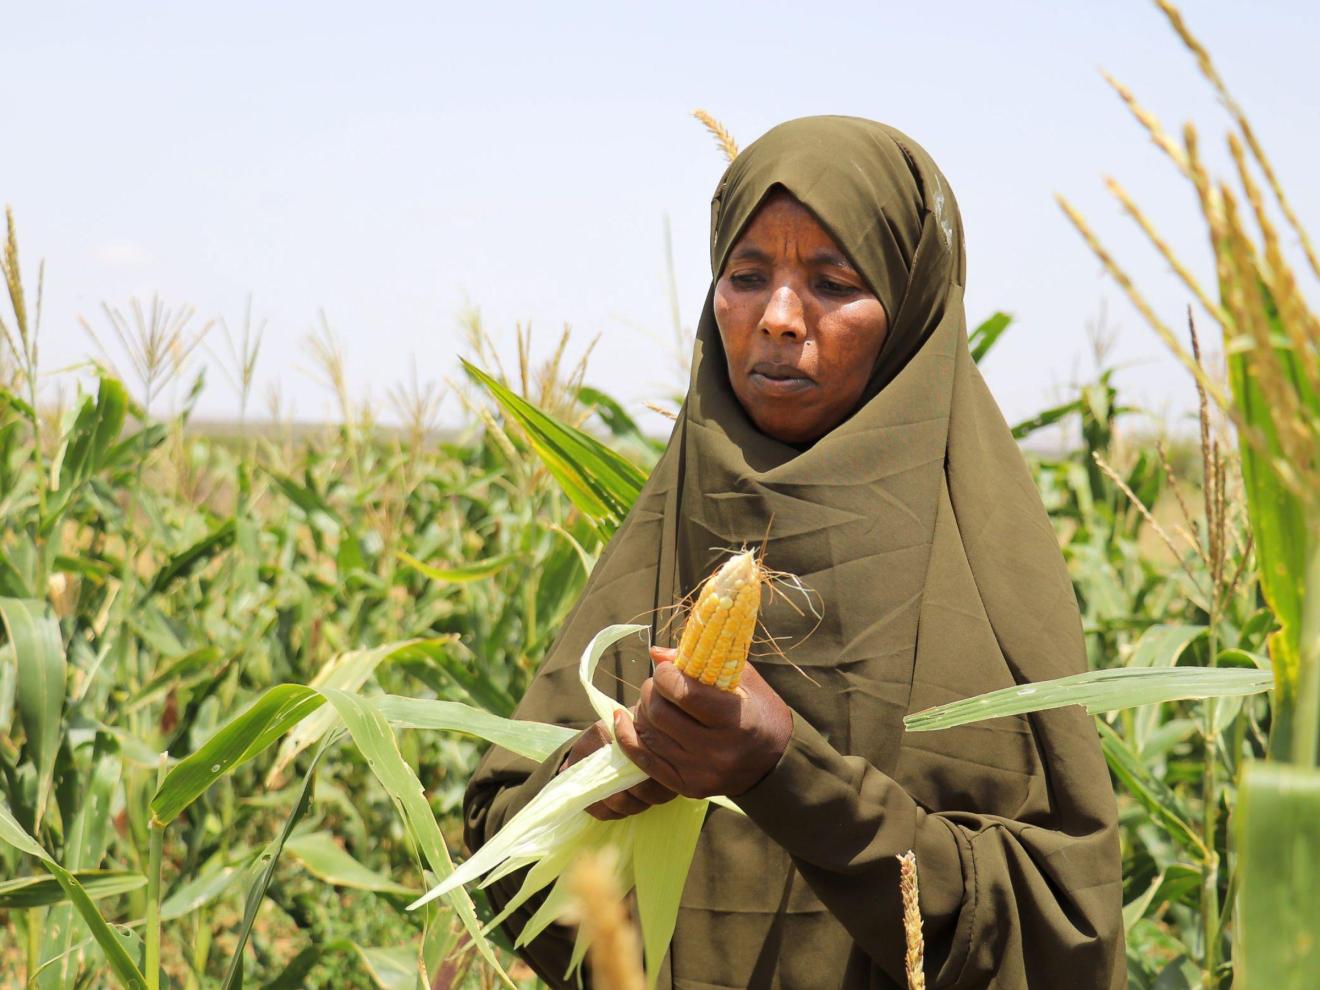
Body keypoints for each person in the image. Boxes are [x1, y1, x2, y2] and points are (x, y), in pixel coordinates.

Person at [464, 115, 1125, 989]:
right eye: (745, 277)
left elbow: (1060, 930)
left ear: (912, 308)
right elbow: (502, 853)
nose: (778, 318)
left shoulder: (983, 569)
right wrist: (605, 774)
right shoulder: (674, 526)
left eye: (832, 281)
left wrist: (786, 772)